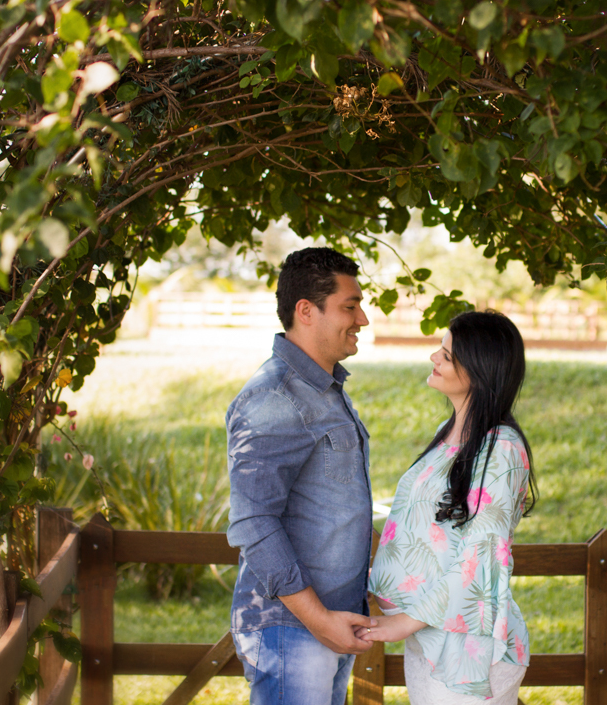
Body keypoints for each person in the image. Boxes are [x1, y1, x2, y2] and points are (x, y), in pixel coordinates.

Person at [225, 247, 377, 705]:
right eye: (349, 307)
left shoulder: (325, 390)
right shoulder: (275, 396)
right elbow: (253, 522)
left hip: (328, 625)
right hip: (295, 630)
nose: (362, 319)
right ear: (306, 311)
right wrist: (318, 620)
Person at [361, 310, 538, 704]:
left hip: (466, 648)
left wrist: (402, 623)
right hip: (430, 638)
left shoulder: (502, 449)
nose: (433, 358)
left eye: (446, 354)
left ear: (479, 368)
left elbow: (481, 554)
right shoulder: (450, 436)